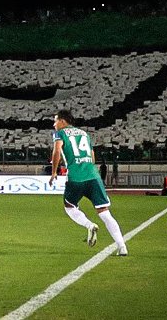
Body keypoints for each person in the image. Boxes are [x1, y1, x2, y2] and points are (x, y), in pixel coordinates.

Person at [49, 110, 127, 256]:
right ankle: (122, 246)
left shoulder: (60, 134)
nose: (54, 124)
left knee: (69, 207)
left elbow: (56, 151)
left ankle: (89, 225)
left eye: (55, 120)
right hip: (93, 176)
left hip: (75, 178)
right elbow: (92, 156)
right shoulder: (84, 134)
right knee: (104, 212)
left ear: (63, 121)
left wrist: (54, 172)